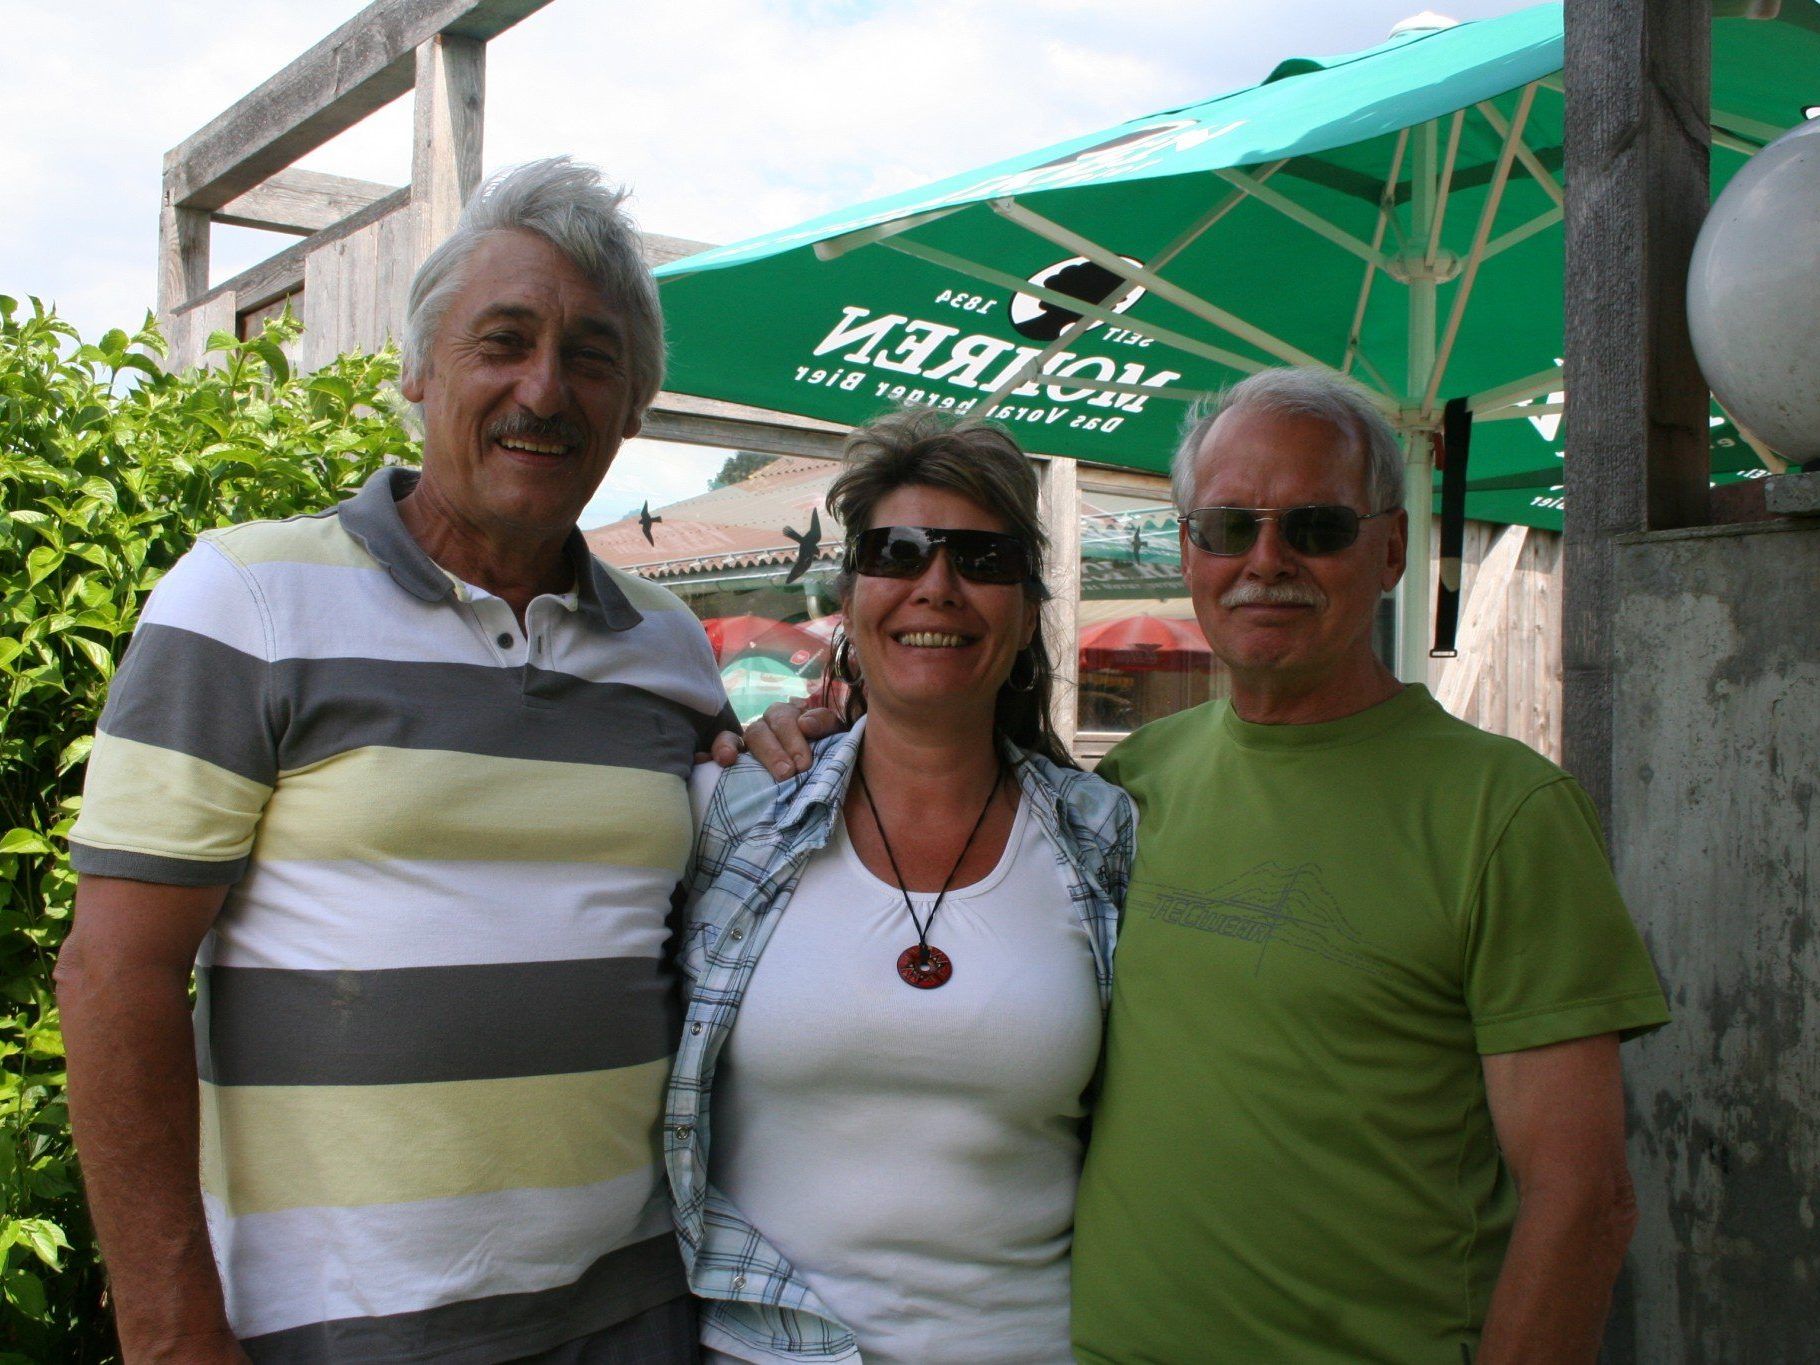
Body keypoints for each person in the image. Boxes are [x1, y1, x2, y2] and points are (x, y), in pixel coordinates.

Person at [744, 368, 1669, 1364]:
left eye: (1314, 528)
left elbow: (1581, 1202)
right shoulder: (1129, 791)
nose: (1264, 560)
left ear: (1391, 549)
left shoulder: (1503, 813)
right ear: (1188, 550)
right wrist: (794, 734)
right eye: (1228, 528)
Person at [57, 158, 732, 1364]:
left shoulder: (670, 652)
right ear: (419, 371)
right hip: (331, 1332)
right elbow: (115, 975)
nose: (544, 388)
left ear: (634, 403)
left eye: (591, 354)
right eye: (504, 340)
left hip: (633, 1312)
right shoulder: (248, 600)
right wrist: (170, 1335)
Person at [670, 409, 1133, 1365]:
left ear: (1027, 604)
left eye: (982, 557)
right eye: (900, 550)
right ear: (850, 594)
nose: (938, 584)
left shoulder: (1105, 836)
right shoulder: (733, 814)